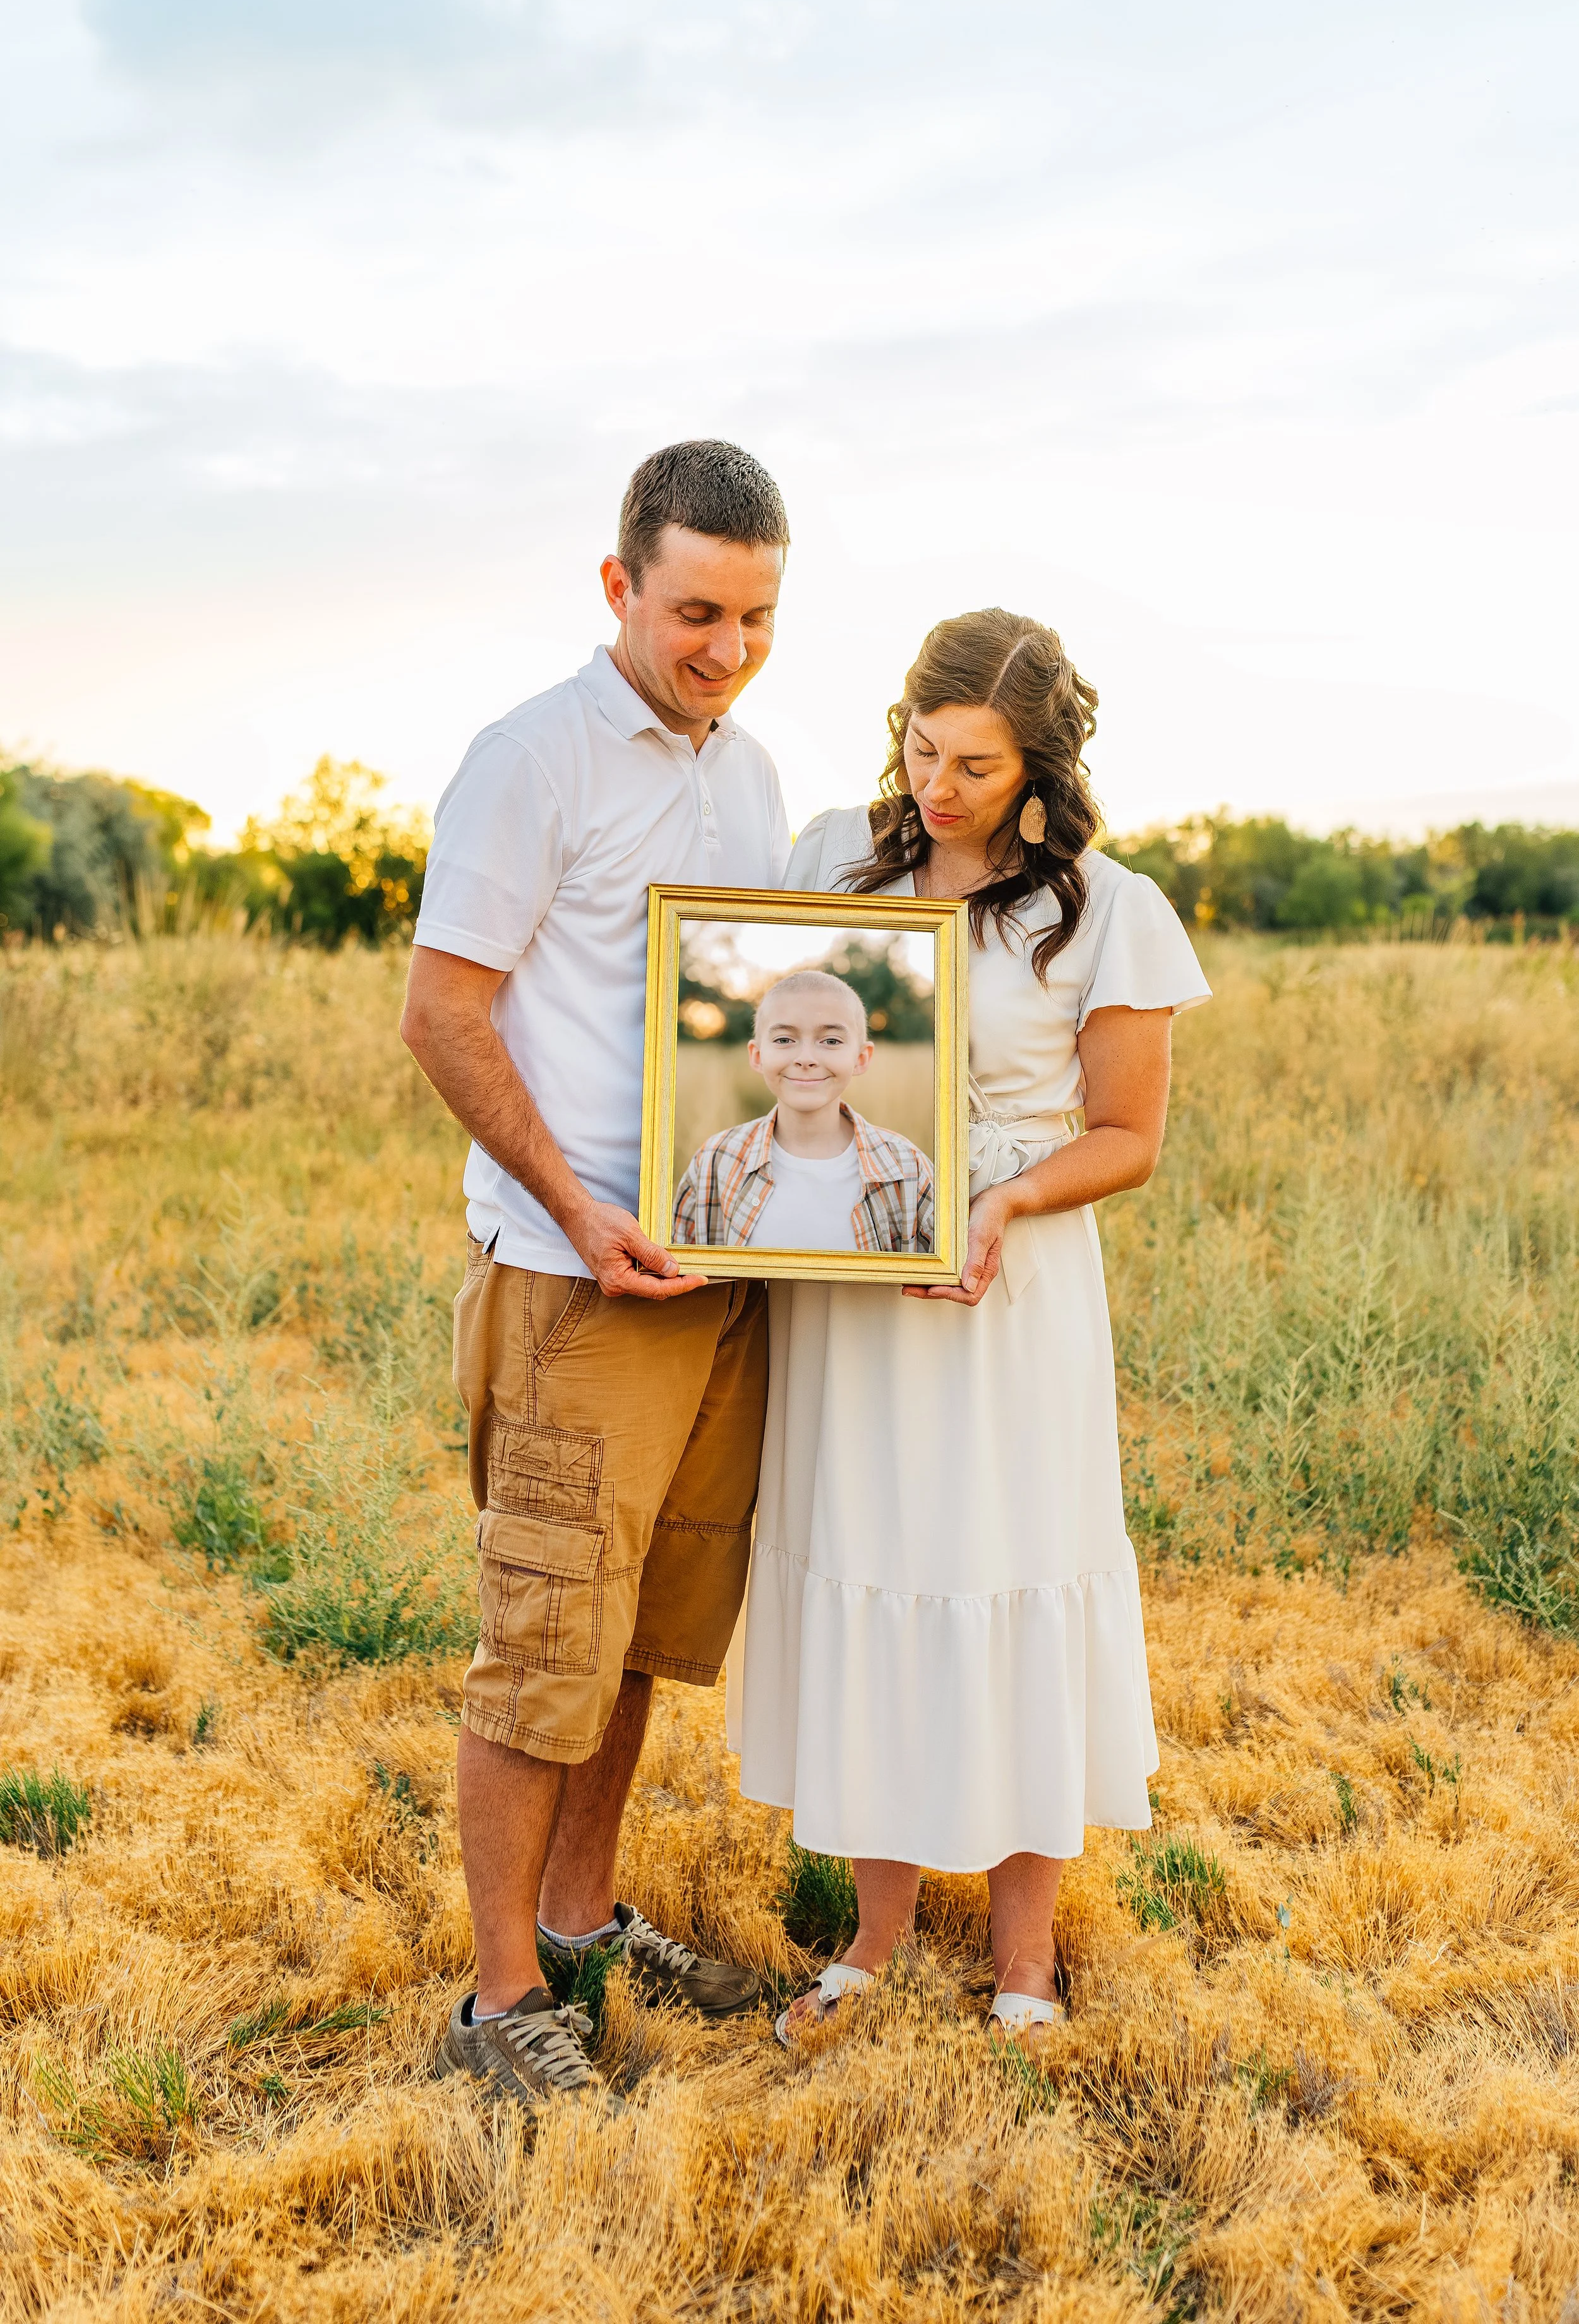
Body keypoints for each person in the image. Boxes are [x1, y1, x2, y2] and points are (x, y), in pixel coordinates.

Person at [728, 607, 1210, 2046]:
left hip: (1012, 1295)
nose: (939, 784)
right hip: (856, 1284)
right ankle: (873, 1938)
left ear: (1041, 766)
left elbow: (1126, 1133)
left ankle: (1025, 1956)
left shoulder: (1107, 907)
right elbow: (740, 1010)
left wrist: (1000, 1208)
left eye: (977, 765)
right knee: (872, 1559)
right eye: (923, 749)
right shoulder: (831, 860)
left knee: (1006, 1571)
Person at [400, 440, 791, 2113]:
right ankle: (501, 2000)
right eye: (695, 608)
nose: (724, 646)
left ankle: (580, 1923)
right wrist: (577, 1210)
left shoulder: (751, 769)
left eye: (758, 615)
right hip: (578, 1282)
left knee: (626, 1640)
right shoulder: (531, 757)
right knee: (541, 1639)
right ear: (619, 584)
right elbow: (442, 1007)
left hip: (713, 1277)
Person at [672, 969, 935, 1253]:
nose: (806, 1059)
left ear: (860, 1059)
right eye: (785, 1040)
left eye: (831, 1041)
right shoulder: (715, 1162)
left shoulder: (907, 1169)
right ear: (758, 1056)